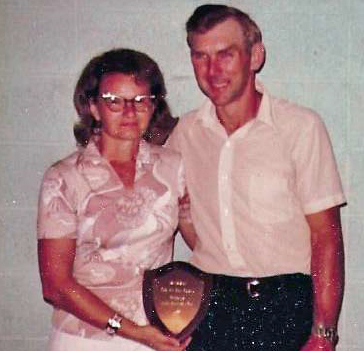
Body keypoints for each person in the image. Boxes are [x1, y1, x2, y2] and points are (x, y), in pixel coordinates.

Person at [168, 4, 345, 351]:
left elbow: (327, 237)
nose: (212, 69)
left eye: (225, 54)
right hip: (210, 306)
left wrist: (324, 332)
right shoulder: (186, 133)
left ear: (255, 56)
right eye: (200, 56)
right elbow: (175, 216)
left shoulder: (300, 128)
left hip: (286, 305)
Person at [37, 48, 190, 351]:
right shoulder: (64, 178)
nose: (130, 112)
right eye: (114, 102)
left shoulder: (173, 167)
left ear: (153, 105)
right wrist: (132, 331)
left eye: (140, 101)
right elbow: (55, 286)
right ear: (93, 107)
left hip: (156, 336)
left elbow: (201, 237)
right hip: (86, 338)